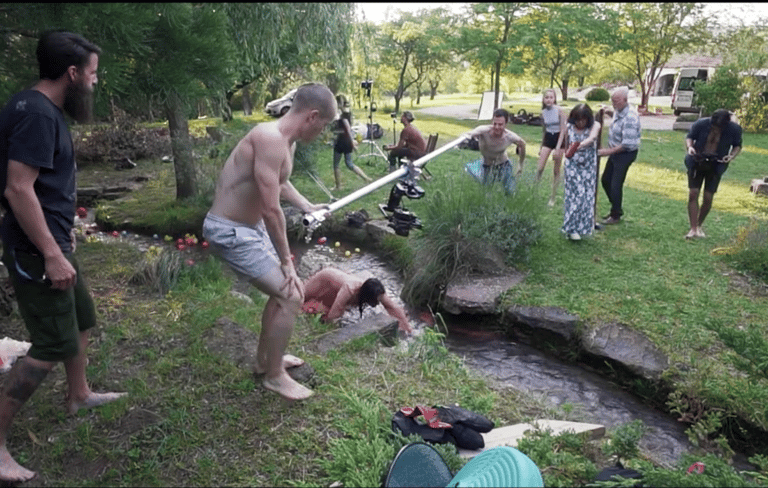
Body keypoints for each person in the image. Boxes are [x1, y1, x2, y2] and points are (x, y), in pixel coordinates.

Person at [0, 30, 127, 483]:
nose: (96, 81)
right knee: (53, 342)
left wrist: (62, 232)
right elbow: (18, 188)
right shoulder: (36, 114)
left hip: (52, 241)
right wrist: (51, 253)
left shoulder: (35, 107)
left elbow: (43, 185)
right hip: (36, 250)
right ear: (72, 73)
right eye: (92, 73)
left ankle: (78, 395)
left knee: (81, 318)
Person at [202, 83, 335, 401]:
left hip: (250, 228)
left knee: (282, 294)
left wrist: (306, 205)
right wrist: (287, 261)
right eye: (323, 126)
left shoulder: (287, 142)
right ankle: (274, 376)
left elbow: (280, 183)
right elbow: (271, 209)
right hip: (230, 231)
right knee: (291, 295)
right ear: (312, 116)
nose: (322, 133)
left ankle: (265, 361)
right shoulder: (269, 138)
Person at [683, 109, 742, 239]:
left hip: (716, 163)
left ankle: (699, 225)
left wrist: (731, 156)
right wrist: (690, 147)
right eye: (714, 126)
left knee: (708, 197)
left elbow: (737, 145)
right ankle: (693, 228)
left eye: (719, 128)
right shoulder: (701, 124)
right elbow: (690, 137)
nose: (716, 129)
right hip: (697, 160)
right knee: (693, 193)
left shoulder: (734, 129)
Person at [302, 267, 413, 334]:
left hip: (337, 285)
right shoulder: (349, 289)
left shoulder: (376, 291)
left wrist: (407, 328)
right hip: (324, 278)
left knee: (327, 308)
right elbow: (333, 316)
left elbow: (393, 307)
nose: (378, 303)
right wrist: (330, 331)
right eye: (375, 301)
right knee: (301, 298)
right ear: (366, 296)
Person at [597, 87, 641, 225]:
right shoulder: (619, 110)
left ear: (625, 100)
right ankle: (617, 208)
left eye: (616, 101)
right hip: (616, 151)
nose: (614, 104)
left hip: (625, 154)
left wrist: (606, 152)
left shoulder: (630, 118)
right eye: (612, 101)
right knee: (606, 180)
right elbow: (616, 116)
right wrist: (608, 112)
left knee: (615, 184)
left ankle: (615, 215)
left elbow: (626, 145)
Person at [561, 104, 601, 241]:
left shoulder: (595, 125)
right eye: (577, 120)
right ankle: (570, 228)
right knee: (577, 195)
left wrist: (578, 145)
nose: (580, 123)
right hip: (572, 165)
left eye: (583, 120)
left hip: (588, 167)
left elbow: (592, 138)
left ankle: (582, 228)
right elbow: (565, 143)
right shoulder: (569, 126)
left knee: (587, 198)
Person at [463, 108, 526, 194]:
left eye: (500, 124)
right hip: (487, 166)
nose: (497, 127)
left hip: (504, 165)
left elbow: (522, 144)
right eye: (495, 123)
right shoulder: (483, 131)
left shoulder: (510, 136)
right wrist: (467, 135)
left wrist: (520, 164)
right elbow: (471, 133)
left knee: (510, 192)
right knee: (487, 193)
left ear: (506, 124)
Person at [535, 89, 567, 207]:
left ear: (554, 99)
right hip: (548, 137)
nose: (549, 100)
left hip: (559, 138)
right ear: (543, 99)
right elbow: (544, 130)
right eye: (546, 97)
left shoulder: (560, 111)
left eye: (551, 97)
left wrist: (558, 148)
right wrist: (541, 146)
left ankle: (552, 198)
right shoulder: (543, 112)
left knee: (556, 171)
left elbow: (563, 130)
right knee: (539, 168)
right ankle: (534, 193)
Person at [332, 101, 371, 191]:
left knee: (336, 165)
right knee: (349, 164)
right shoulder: (348, 115)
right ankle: (366, 178)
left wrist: (352, 142)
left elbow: (348, 130)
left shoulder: (341, 117)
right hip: (346, 142)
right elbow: (346, 129)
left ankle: (338, 186)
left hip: (341, 142)